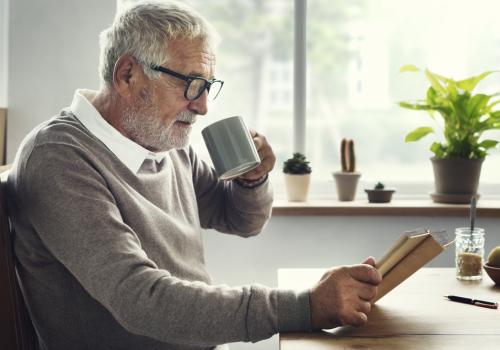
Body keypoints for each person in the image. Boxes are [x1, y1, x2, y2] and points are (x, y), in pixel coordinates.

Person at [6, 1, 381, 349]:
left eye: (208, 87)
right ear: (127, 75)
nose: (202, 106)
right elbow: (141, 300)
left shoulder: (163, 141)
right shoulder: (58, 157)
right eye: (191, 84)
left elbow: (240, 219)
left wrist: (252, 179)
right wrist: (306, 306)